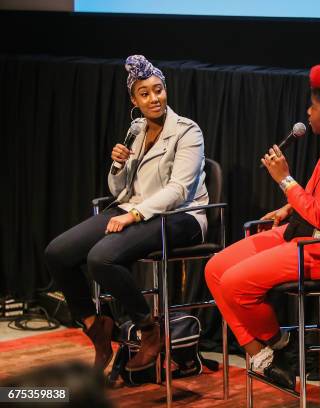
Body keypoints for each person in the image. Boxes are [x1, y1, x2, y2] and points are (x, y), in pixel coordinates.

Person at [205, 62, 320, 388]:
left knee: (234, 284)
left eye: (313, 107)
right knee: (215, 269)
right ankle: (260, 354)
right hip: (305, 232)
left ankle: (280, 345)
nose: (308, 114)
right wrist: (287, 207)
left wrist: (284, 179)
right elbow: (315, 192)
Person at [44, 55, 208, 372]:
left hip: (182, 217)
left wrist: (133, 215)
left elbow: (179, 192)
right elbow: (120, 186)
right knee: (58, 252)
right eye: (144, 93)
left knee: (101, 258)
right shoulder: (136, 128)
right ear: (134, 99)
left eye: (158, 90)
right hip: (133, 207)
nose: (154, 98)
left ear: (165, 90)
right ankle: (97, 326)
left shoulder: (188, 132)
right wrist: (118, 164)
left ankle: (149, 329)